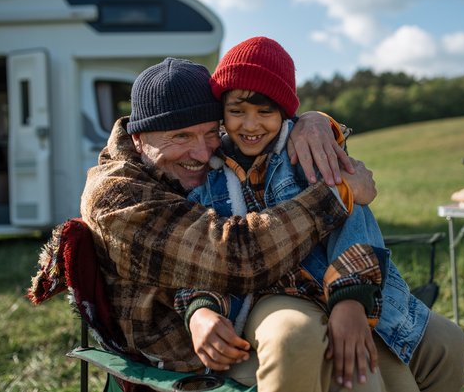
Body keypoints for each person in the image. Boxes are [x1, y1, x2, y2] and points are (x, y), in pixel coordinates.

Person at [181, 37, 464, 392]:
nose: (250, 125)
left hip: (333, 280)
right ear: (222, 111)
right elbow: (203, 251)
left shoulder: (307, 151)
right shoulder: (209, 174)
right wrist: (201, 306)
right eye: (237, 111)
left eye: (265, 112)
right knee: (362, 381)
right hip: (268, 292)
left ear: (285, 112)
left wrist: (350, 299)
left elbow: (354, 220)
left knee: (446, 342)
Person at [79, 57, 376, 379]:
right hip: (185, 355)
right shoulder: (115, 196)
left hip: (242, 315)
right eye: (181, 137)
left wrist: (311, 121)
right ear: (138, 138)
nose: (204, 154)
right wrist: (337, 193)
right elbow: (236, 255)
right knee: (311, 350)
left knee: (398, 354)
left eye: (210, 133)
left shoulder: (184, 165)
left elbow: (258, 118)